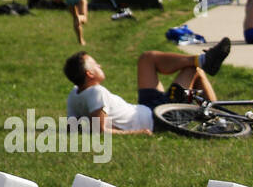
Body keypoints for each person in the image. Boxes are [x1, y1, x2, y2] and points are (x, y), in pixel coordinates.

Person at [62, 39, 230, 135]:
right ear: (90, 74)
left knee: (147, 59)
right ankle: (221, 117)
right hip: (159, 118)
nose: (100, 65)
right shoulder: (96, 92)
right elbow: (102, 130)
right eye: (95, 65)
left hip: (146, 106)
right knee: (194, 72)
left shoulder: (74, 93)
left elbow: (72, 127)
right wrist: (137, 133)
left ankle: (203, 60)